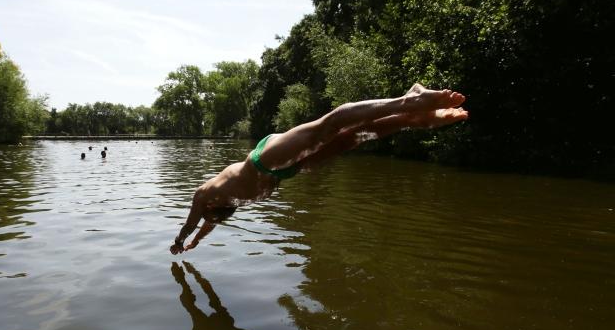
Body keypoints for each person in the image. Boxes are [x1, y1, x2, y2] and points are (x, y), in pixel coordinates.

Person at [170, 84, 468, 254]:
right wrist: (196, 242)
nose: (207, 219)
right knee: (351, 139)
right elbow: (206, 225)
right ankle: (412, 119)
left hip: (264, 159)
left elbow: (192, 220)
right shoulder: (222, 207)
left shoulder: (205, 194)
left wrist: (180, 240)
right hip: (286, 171)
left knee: (328, 127)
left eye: (207, 217)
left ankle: (409, 101)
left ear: (208, 207)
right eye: (211, 218)